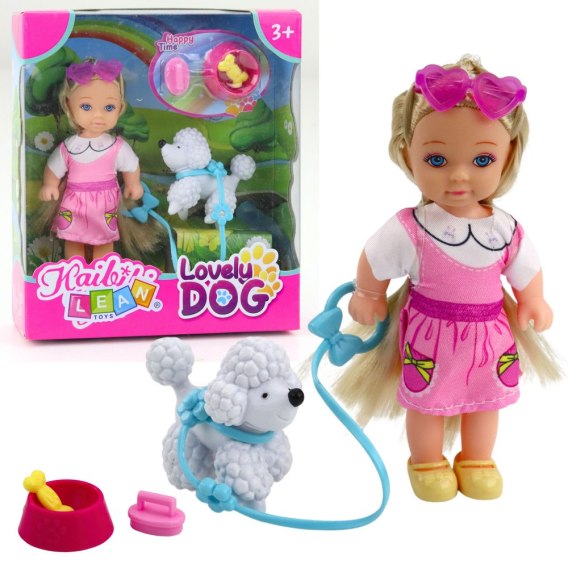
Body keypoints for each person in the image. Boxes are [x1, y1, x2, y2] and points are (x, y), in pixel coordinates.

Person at [335, 56, 560, 502]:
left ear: (507, 157)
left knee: (487, 400)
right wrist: (369, 292)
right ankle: (427, 460)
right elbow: (376, 258)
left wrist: (533, 299)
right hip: (430, 334)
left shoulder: (504, 229)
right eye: (436, 159)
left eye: (482, 159)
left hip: (489, 336)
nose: (459, 175)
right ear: (408, 154)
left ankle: (478, 458)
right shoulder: (413, 227)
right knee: (428, 401)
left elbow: (526, 268)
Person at [39, 59, 144, 260]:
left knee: (104, 239)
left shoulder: (116, 146)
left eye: (109, 107)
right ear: (69, 105)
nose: (98, 115)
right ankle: (75, 269)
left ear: (120, 107)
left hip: (105, 203)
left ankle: (101, 270)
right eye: (86, 106)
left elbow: (131, 165)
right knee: (73, 239)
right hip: (75, 200)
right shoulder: (70, 146)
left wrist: (133, 183)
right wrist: (50, 185)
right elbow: (54, 168)